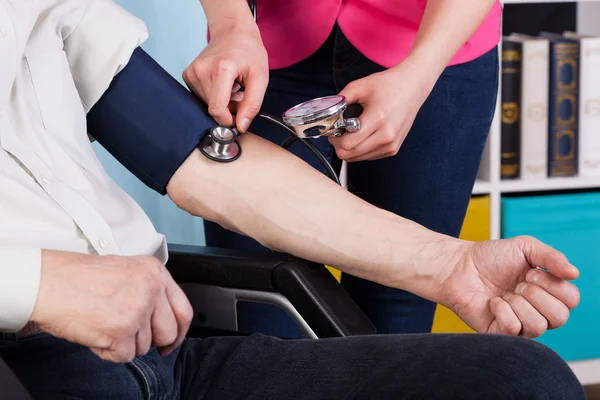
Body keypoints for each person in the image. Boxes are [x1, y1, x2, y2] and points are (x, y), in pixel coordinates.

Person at [0, 0, 586, 398]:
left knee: (522, 378)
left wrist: (449, 264)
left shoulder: (50, 12)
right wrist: (38, 285)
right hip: (28, 360)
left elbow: (203, 162)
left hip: (165, 359)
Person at [185, 0, 503, 337]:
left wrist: (418, 75)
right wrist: (231, 24)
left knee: (398, 316)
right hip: (269, 39)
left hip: (435, 40)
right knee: (256, 309)